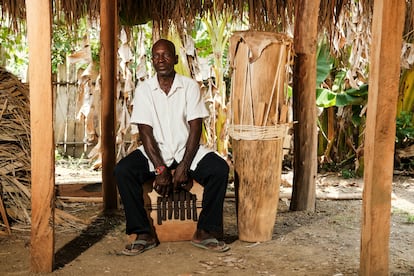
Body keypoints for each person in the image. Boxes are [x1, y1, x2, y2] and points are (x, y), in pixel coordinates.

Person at [114, 38, 230, 256]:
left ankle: (205, 231)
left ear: (175, 59)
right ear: (151, 60)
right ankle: (143, 233)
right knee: (123, 171)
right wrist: (160, 169)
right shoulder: (144, 90)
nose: (161, 60)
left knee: (219, 169)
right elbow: (145, 133)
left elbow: (196, 128)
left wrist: (184, 166)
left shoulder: (189, 86)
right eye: (156, 56)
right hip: (155, 153)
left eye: (166, 55)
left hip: (188, 150)